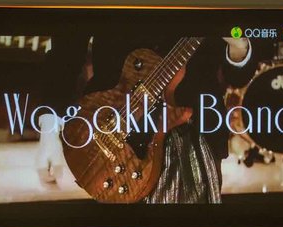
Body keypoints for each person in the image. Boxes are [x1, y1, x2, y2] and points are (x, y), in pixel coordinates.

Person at [40, 35, 258, 203]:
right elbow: (66, 50)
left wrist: (239, 49)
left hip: (191, 137)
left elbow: (237, 75)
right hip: (109, 126)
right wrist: (48, 126)